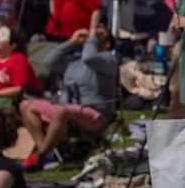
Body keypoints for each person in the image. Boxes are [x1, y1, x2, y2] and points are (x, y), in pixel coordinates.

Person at [21, 27, 119, 170]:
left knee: (63, 112)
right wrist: (71, 42)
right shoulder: (74, 62)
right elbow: (48, 62)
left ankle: (40, 155)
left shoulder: (108, 60)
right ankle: (43, 148)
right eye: (93, 33)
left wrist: (91, 38)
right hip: (67, 110)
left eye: (99, 35)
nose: (93, 37)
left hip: (95, 114)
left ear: (107, 44)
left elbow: (90, 58)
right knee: (26, 106)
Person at [0, 26, 41, 109]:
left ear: (13, 45)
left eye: (2, 36)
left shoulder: (19, 59)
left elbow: (18, 89)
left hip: (16, 96)